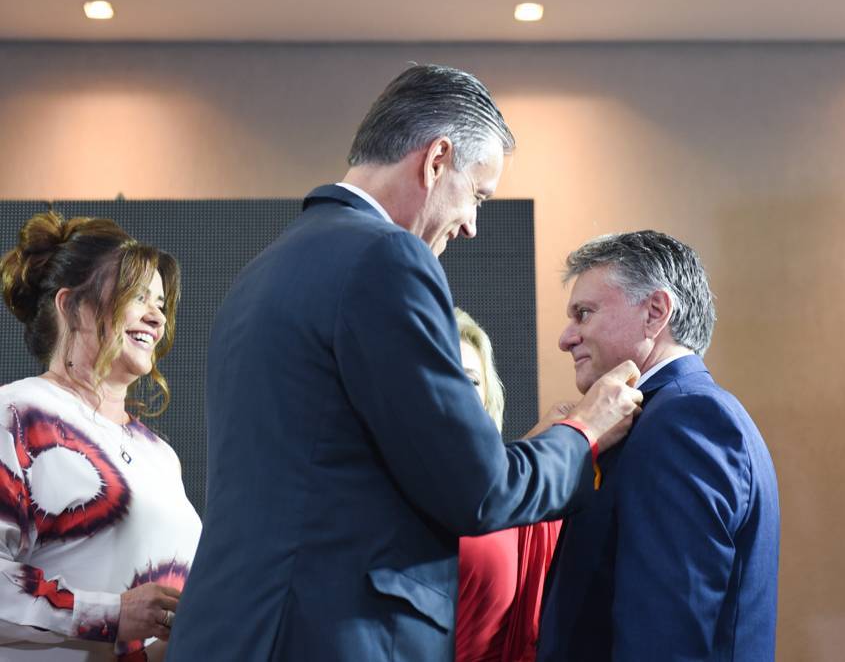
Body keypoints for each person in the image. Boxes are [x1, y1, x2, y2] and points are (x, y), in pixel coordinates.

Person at [167, 64, 641, 661]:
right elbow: (478, 488)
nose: (472, 226)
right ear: (437, 159)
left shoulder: (263, 270)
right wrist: (584, 430)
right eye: (478, 195)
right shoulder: (387, 257)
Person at [537, 231, 780, 661]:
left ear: (655, 312)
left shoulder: (685, 421)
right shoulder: (667, 415)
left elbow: (667, 635)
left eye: (584, 313)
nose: (566, 337)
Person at [0, 211, 202, 662]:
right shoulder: (17, 414)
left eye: (160, 303)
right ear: (71, 305)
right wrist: (109, 614)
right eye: (138, 296)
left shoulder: (160, 455)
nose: (157, 317)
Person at [453, 308, 564, 662]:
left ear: (487, 396)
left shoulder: (519, 488)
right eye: (445, 375)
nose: (459, 391)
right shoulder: (385, 488)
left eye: (471, 380)